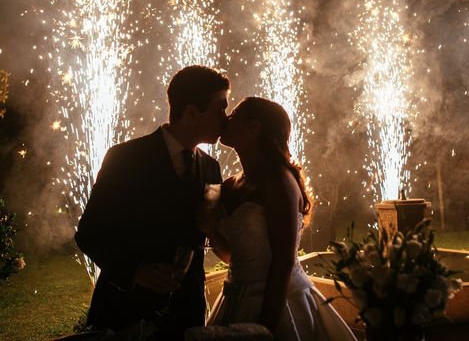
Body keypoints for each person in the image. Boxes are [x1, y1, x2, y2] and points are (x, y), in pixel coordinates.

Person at [75, 65, 229, 340]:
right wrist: (135, 271)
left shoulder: (211, 169)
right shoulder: (125, 158)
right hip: (127, 311)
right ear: (192, 112)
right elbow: (89, 234)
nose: (225, 119)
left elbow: (205, 231)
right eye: (220, 109)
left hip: (186, 313)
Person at [200, 97, 357, 341]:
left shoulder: (279, 181)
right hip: (234, 300)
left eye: (235, 115)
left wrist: (266, 324)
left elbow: (283, 261)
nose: (226, 119)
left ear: (254, 128)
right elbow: (235, 256)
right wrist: (210, 230)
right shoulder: (229, 185)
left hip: (281, 303)